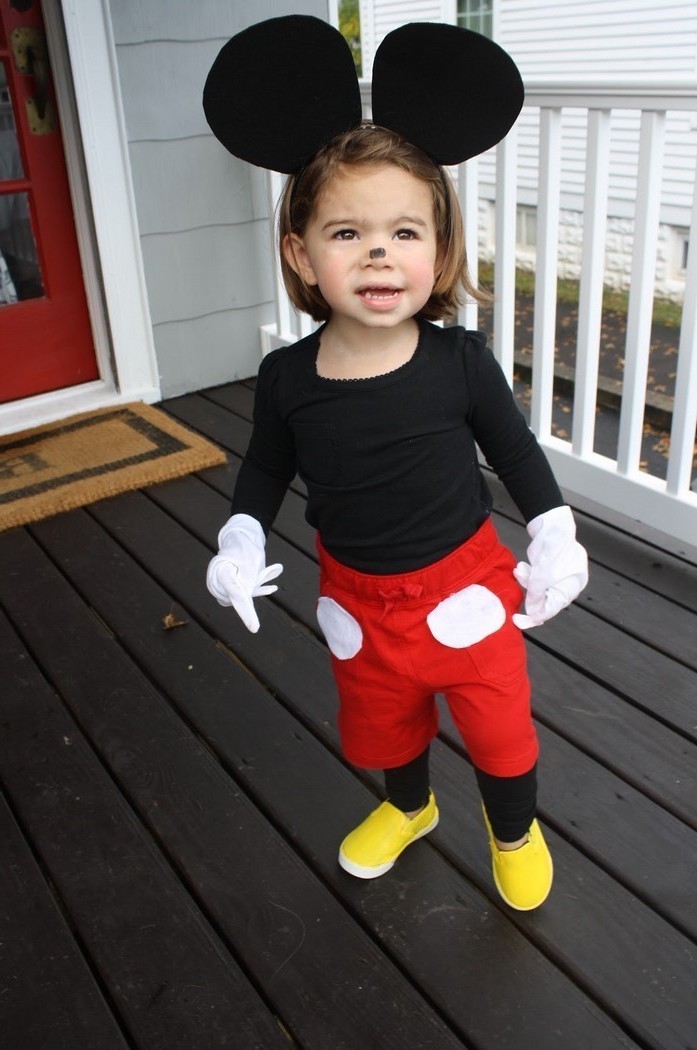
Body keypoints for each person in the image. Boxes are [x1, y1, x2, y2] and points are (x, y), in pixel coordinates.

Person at [203, 16, 588, 911]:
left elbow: (516, 453)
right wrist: (237, 536)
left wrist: (557, 533)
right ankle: (409, 810)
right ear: (302, 253)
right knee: (385, 726)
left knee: (498, 733)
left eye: (404, 232)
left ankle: (512, 830)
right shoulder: (288, 378)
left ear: (440, 251)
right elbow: (264, 469)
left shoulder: (459, 362)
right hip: (356, 598)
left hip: (467, 589)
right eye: (346, 233)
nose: (379, 251)